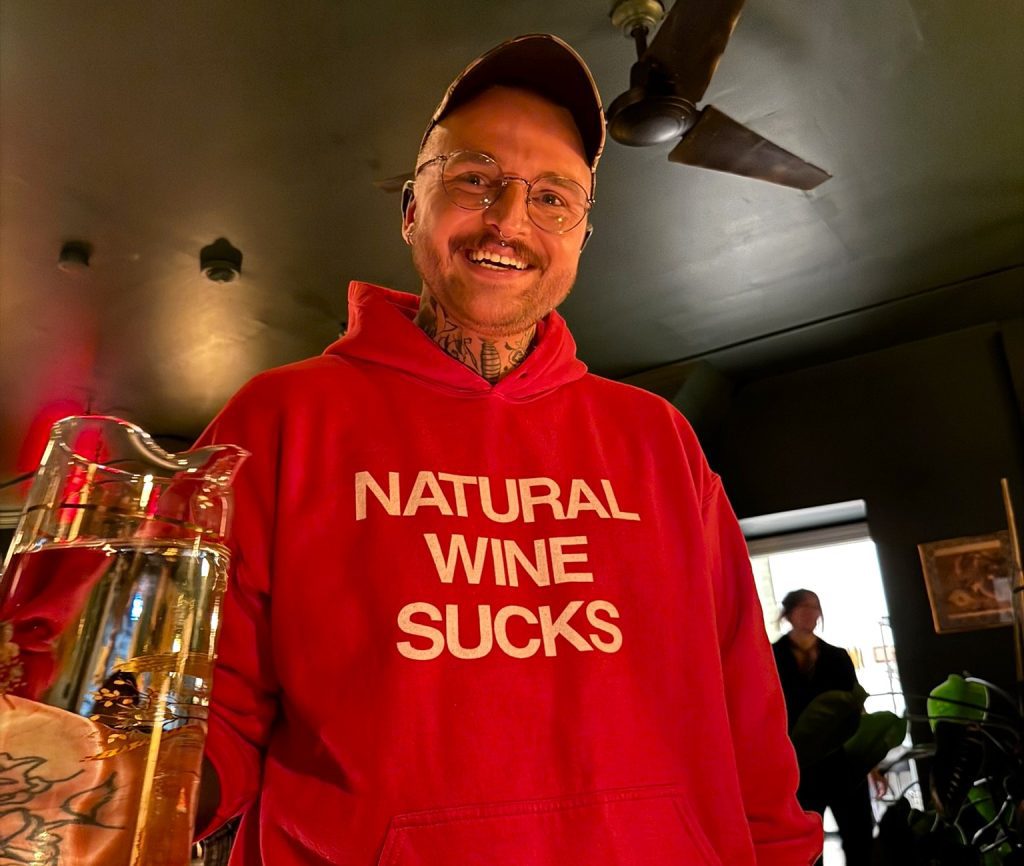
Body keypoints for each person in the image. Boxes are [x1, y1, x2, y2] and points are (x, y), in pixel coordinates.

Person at [193, 34, 823, 865]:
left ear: (583, 236)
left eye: (553, 197)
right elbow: (199, 712)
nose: (509, 219)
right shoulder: (279, 420)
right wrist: (108, 792)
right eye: (474, 179)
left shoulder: (657, 439)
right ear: (411, 208)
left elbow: (746, 705)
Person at [772, 589, 877, 866]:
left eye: (815, 607)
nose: (811, 613)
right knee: (804, 844)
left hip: (843, 761)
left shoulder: (837, 657)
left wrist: (871, 761)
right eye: (804, 607)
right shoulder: (772, 657)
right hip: (798, 764)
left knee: (859, 836)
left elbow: (856, 707)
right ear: (789, 613)